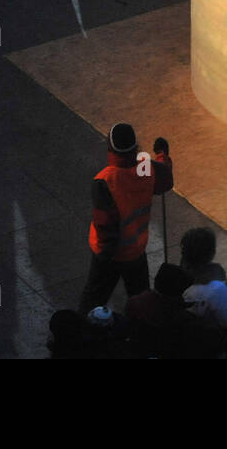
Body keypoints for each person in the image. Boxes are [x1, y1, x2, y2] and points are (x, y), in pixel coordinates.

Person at [78, 123, 173, 313]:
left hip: (110, 256)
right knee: (142, 301)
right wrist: (162, 154)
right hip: (136, 251)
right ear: (135, 147)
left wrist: (104, 262)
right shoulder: (146, 168)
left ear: (111, 151)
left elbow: (106, 226)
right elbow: (165, 179)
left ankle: (84, 333)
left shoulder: (105, 181)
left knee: (93, 301)